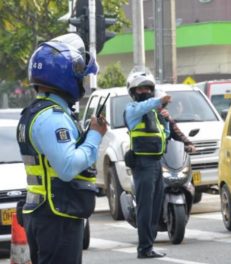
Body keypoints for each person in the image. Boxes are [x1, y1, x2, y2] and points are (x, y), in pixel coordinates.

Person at [16, 33, 107, 264]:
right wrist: (95, 135)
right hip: (57, 217)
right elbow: (67, 167)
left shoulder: (36, 112)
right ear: (65, 76)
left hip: (47, 214)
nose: (82, 84)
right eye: (79, 77)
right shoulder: (52, 118)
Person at [124, 72, 171, 258]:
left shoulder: (154, 113)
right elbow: (147, 104)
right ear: (133, 92)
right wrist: (159, 101)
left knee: (155, 206)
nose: (145, 91)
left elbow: (164, 135)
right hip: (143, 164)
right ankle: (144, 248)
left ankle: (149, 245)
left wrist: (165, 120)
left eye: (148, 88)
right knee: (145, 206)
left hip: (156, 162)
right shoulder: (133, 109)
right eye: (140, 88)